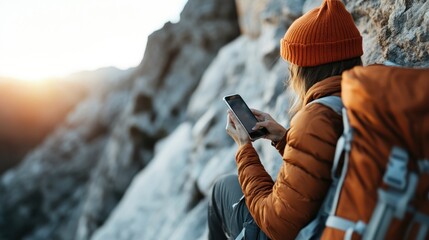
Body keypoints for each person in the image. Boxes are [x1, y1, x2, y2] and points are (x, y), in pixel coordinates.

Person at [207, 0, 364, 239]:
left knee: (220, 190)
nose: (290, 72)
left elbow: (275, 223)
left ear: (307, 68)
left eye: (293, 64)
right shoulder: (360, 97)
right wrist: (283, 138)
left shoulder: (315, 118)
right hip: (349, 217)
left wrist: (244, 149)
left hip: (308, 230)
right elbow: (327, 164)